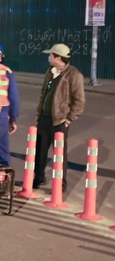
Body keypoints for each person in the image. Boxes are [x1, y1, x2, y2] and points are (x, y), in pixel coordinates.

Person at [33, 43, 85, 191]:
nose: (49, 57)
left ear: (58, 57)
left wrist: (68, 119)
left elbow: (79, 102)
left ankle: (60, 185)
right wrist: (39, 113)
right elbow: (44, 93)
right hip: (44, 118)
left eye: (51, 55)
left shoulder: (74, 75)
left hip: (59, 120)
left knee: (59, 154)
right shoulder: (50, 71)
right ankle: (38, 179)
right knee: (39, 151)